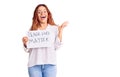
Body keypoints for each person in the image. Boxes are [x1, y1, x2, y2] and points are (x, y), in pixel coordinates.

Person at [22, 4, 68, 77]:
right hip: (34, 65)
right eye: (39, 12)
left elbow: (57, 46)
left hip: (50, 65)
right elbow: (28, 49)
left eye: (44, 11)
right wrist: (25, 43)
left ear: (48, 14)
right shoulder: (32, 31)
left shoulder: (54, 29)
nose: (42, 13)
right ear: (36, 15)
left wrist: (60, 31)